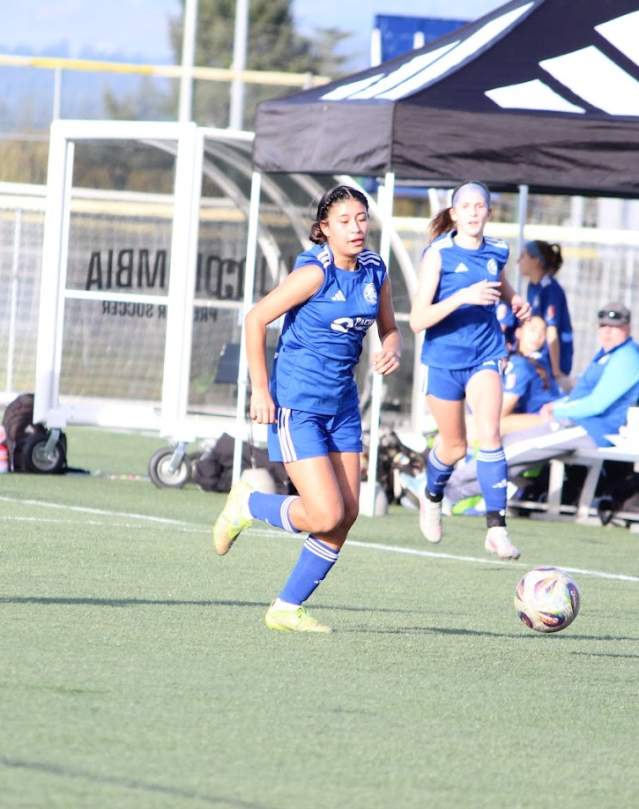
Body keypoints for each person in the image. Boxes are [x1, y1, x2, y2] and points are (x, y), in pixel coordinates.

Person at [212, 185, 401, 634]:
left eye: (361, 218)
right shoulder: (316, 274)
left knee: (348, 513)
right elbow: (256, 318)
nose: (356, 228)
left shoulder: (375, 269)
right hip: (298, 406)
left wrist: (392, 348)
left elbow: (390, 329)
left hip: (342, 408)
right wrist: (261, 390)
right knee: (324, 514)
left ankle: (285, 607)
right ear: (324, 229)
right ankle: (249, 504)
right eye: (344, 221)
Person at [409, 181, 531, 560]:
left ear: (489, 213)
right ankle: (431, 496)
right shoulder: (438, 254)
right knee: (455, 446)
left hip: (486, 355)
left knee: (490, 433)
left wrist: (516, 301)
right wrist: (462, 296)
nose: (475, 212)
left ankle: (496, 528)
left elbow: (500, 283)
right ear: (455, 213)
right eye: (468, 206)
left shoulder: (498, 250)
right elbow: (417, 319)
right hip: (444, 361)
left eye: (482, 206)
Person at [445, 302, 639, 506]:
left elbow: (597, 404)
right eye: (603, 326)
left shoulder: (627, 356)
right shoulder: (607, 354)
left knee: (513, 451)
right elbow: (580, 397)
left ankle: (440, 487)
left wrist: (557, 408)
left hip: (589, 428)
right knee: (511, 451)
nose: (607, 332)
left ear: (627, 328)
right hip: (574, 423)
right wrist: (559, 405)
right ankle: (450, 495)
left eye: (614, 327)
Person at [518, 240, 573, 385]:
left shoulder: (550, 290)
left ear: (536, 261)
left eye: (523, 256)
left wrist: (556, 372)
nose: (518, 261)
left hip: (552, 361)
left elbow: (552, 330)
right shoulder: (533, 286)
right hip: (540, 356)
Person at [500, 315, 561, 435]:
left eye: (543, 332)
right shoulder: (538, 360)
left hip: (548, 420)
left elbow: (502, 410)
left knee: (489, 424)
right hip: (554, 416)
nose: (538, 336)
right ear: (519, 332)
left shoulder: (520, 365)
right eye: (533, 329)